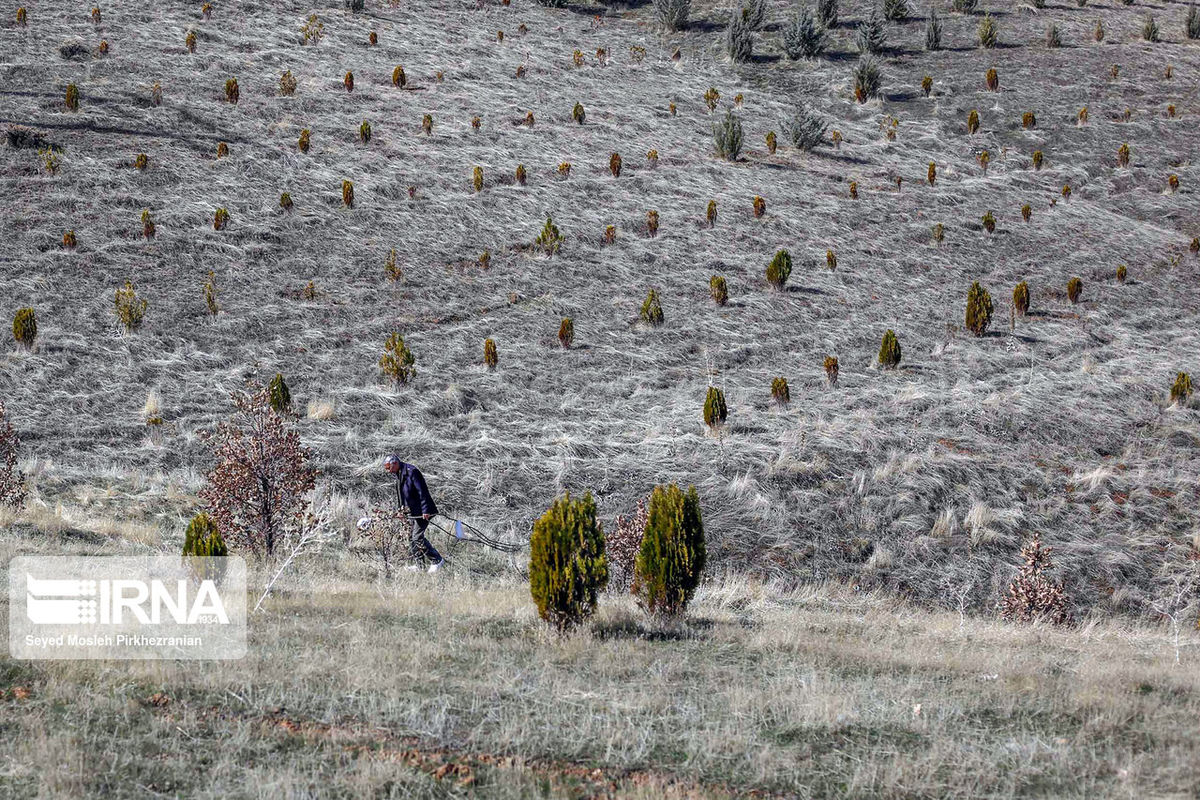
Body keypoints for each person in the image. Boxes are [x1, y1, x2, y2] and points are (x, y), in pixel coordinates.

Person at [384, 454, 444, 573]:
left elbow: (423, 492)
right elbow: (402, 495)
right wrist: (401, 510)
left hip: (422, 511)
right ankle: (419, 565)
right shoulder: (399, 473)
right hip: (411, 511)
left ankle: (437, 560)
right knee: (410, 537)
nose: (388, 471)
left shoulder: (412, 472)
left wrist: (426, 510)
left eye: (388, 467)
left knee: (417, 537)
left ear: (395, 463)